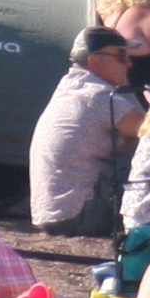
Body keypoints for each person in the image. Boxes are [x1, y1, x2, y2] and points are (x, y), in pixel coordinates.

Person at [30, 26, 141, 236]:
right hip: (81, 216)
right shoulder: (98, 96)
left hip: (54, 214)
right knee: (149, 148)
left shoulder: (70, 86)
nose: (129, 63)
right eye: (121, 56)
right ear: (95, 62)